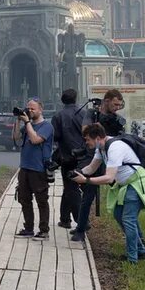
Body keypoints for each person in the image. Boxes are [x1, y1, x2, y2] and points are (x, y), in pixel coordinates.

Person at [72, 122, 145, 263]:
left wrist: (86, 181)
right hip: (125, 185)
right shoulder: (101, 148)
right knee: (119, 214)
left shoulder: (115, 148)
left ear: (97, 138)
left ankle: (133, 258)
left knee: (128, 219)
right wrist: (76, 173)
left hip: (136, 184)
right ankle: (142, 249)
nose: (86, 143)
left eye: (87, 140)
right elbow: (91, 168)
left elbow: (109, 178)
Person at [70, 88, 125, 242]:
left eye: (119, 105)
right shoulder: (92, 114)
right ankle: (81, 228)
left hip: (111, 158)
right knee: (87, 196)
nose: (116, 108)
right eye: (115, 104)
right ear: (106, 101)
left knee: (121, 192)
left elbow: (121, 137)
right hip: (93, 157)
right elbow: (85, 130)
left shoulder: (116, 118)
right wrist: (99, 125)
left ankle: (127, 227)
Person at [13, 97, 54, 238]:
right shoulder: (27, 125)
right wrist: (18, 121)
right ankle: (28, 228)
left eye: (33, 108)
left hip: (39, 169)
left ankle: (44, 230)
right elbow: (16, 137)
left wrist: (28, 122)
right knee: (24, 199)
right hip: (24, 167)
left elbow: (36, 140)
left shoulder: (46, 126)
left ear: (40, 110)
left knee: (41, 200)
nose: (29, 110)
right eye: (28, 108)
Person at [51, 89, 88, 229]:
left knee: (71, 188)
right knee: (69, 188)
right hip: (83, 156)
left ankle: (82, 221)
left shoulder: (58, 116)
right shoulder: (84, 114)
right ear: (75, 99)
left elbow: (56, 136)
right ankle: (65, 219)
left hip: (66, 156)